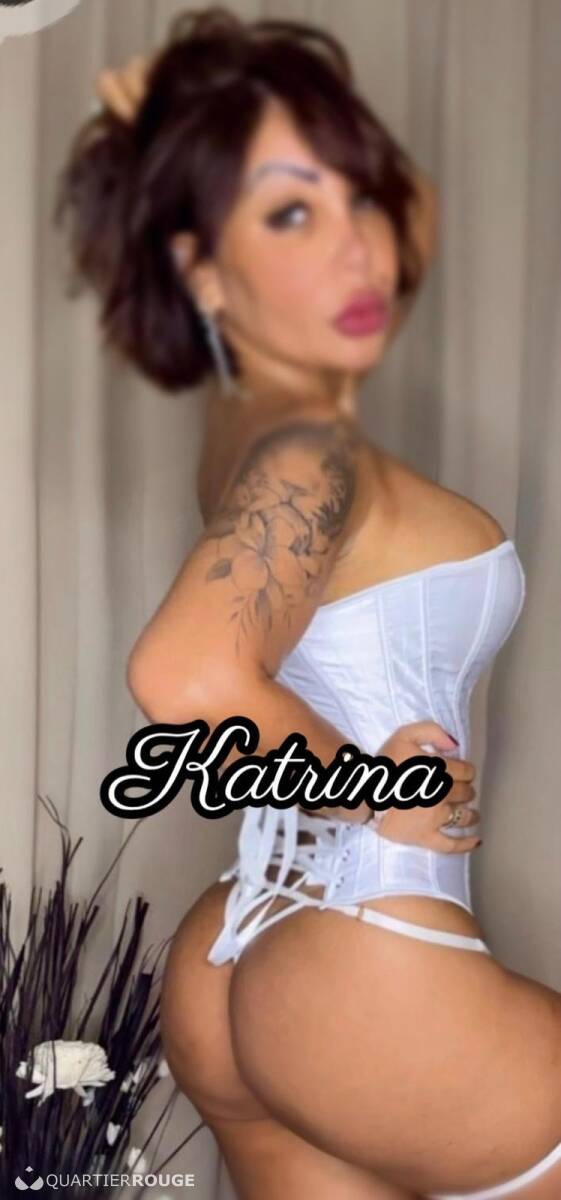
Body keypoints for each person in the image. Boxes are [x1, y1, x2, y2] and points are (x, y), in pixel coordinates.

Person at [56, 8, 561, 1198]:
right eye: (293, 214)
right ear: (204, 268)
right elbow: (183, 676)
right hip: (368, 951)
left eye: (354, 201)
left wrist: (187, 118)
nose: (359, 248)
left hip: (248, 947)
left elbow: (409, 207)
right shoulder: (306, 453)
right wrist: (382, 789)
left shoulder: (250, 426)